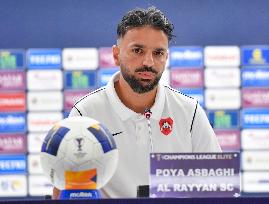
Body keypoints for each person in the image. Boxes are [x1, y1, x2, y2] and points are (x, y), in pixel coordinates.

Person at [53, 6, 221, 199]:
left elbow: (216, 189)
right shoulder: (85, 114)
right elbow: (65, 192)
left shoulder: (190, 112)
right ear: (116, 55)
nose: (148, 62)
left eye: (158, 53)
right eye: (137, 50)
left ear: (166, 57)